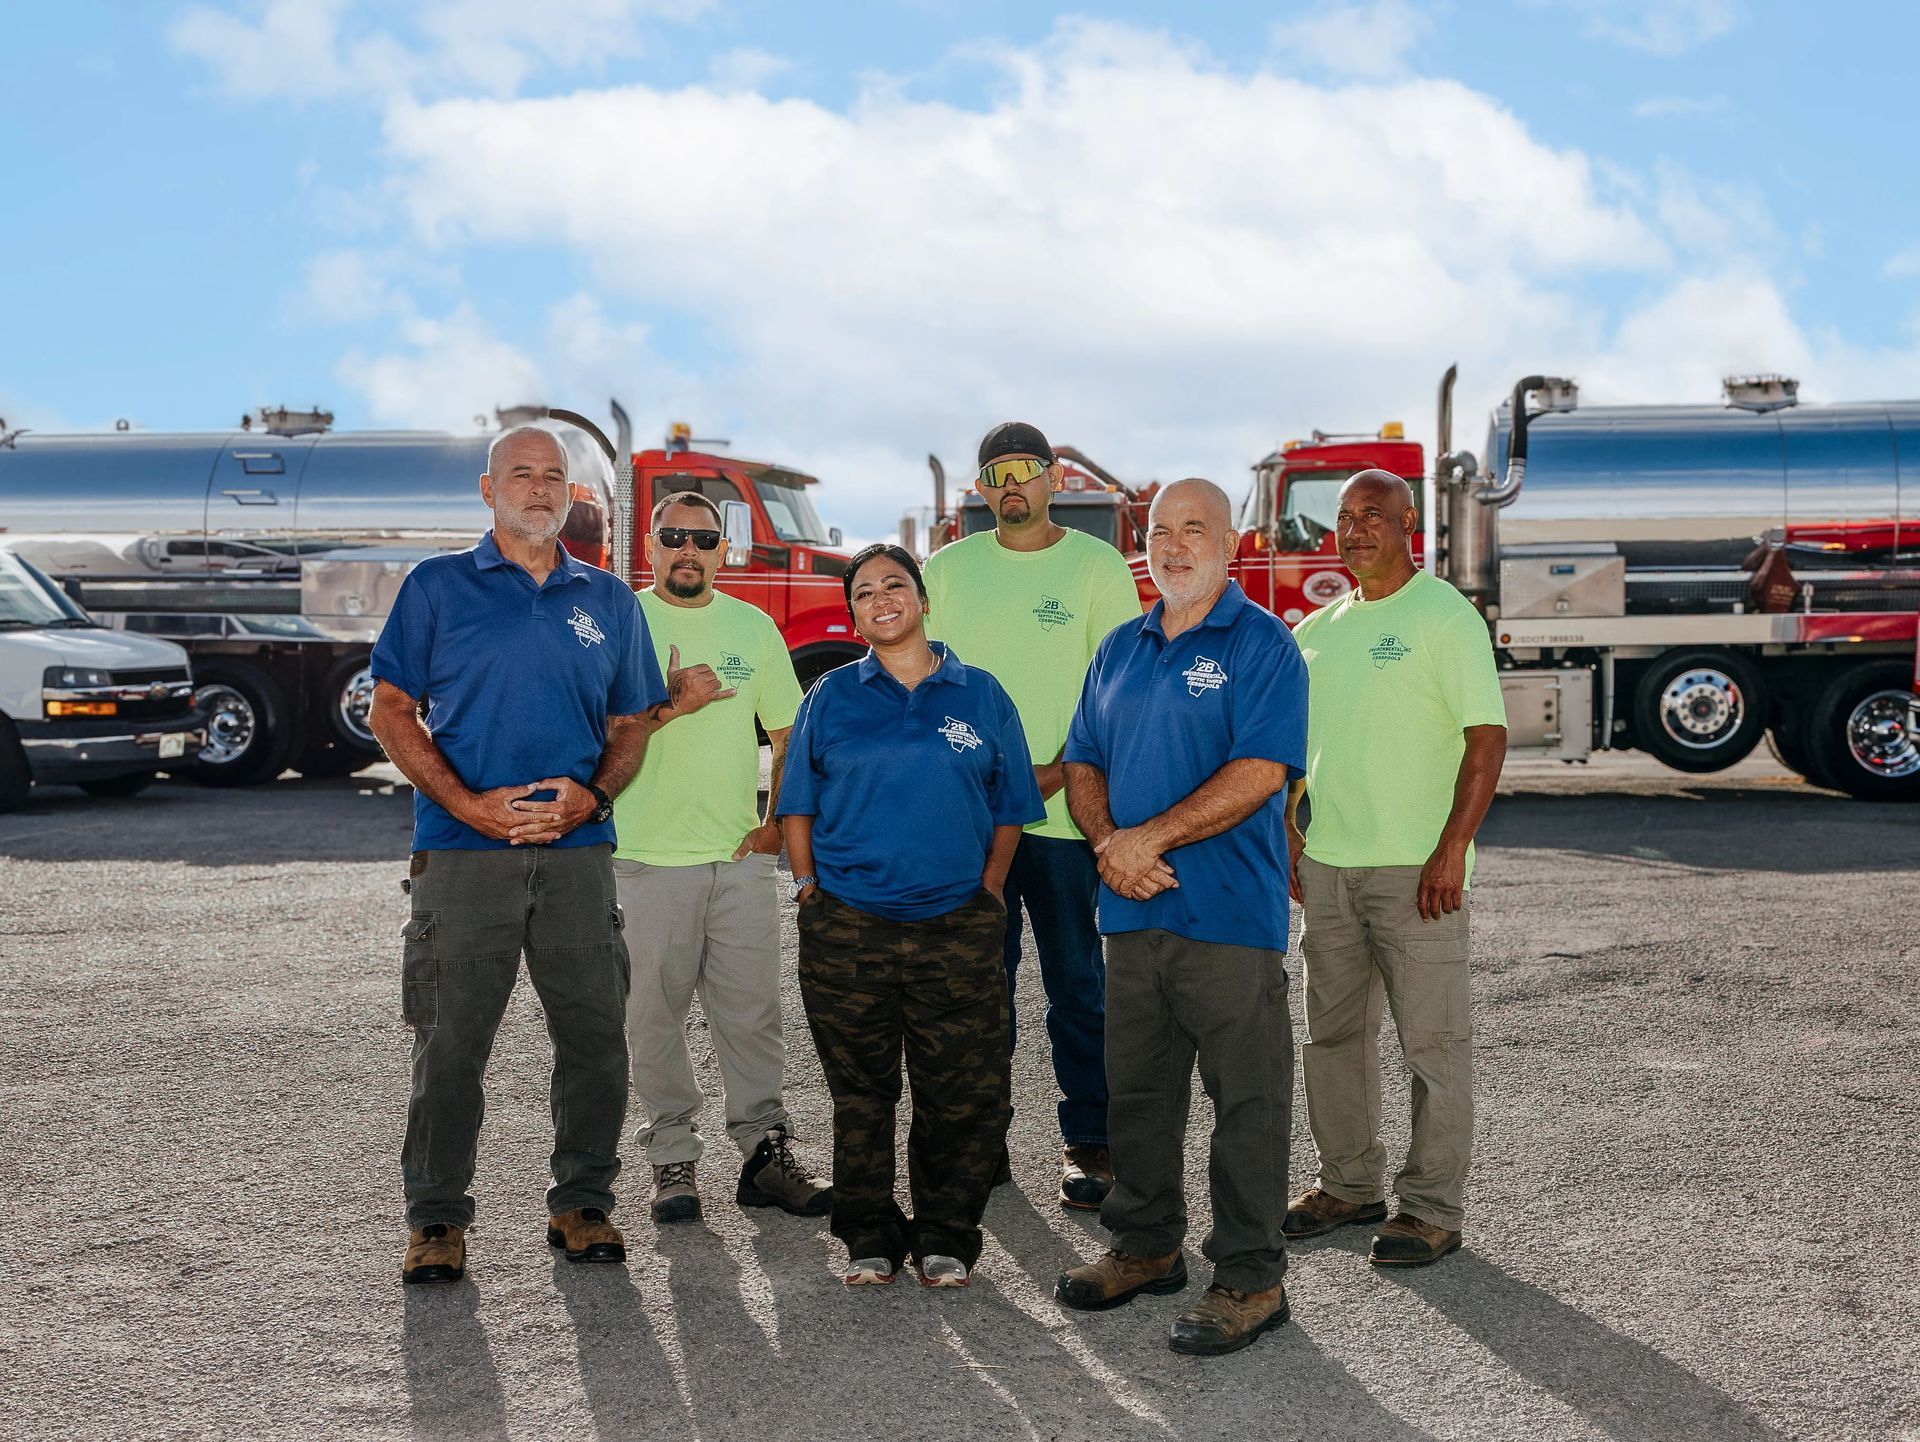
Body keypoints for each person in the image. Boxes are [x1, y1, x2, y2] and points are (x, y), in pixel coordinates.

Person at [368, 425, 667, 1285]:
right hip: (463, 856)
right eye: (521, 473)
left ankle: (582, 1203)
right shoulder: (436, 588)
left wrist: (594, 797)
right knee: (451, 1044)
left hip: (579, 855)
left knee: (595, 1039)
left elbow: (630, 724)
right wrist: (466, 805)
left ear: (572, 495)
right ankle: (436, 1219)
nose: (538, 489)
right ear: (487, 487)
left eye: (553, 477)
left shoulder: (608, 600)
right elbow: (392, 709)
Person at [1053, 478, 1308, 1357]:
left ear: (1230, 544)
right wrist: (1109, 847)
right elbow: (1082, 758)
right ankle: (1145, 1245)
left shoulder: (1263, 643)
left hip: (1230, 915)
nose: (1172, 545)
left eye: (1193, 529)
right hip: (1130, 915)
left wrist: (1145, 839)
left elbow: (1263, 770)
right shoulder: (1120, 647)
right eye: (1159, 530)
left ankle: (1249, 1277)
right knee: (1141, 1096)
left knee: (1248, 1102)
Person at [778, 544, 1044, 1288]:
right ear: (854, 614)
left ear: (922, 599)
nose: (881, 599)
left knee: (957, 1092)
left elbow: (1010, 807)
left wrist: (989, 890)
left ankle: (946, 1235)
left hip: (954, 926)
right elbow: (795, 802)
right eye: (864, 592)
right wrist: (807, 888)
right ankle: (867, 1232)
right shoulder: (830, 695)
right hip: (847, 927)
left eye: (895, 584)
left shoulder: (982, 694)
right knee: (860, 1093)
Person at [1282, 468, 1506, 1267]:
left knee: (1432, 1049)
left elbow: (1487, 740)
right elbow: (1294, 748)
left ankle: (1432, 1211)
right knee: (1333, 1038)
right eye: (1343, 517)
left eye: (1372, 515)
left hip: (1419, 872)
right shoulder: (1315, 631)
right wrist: (1288, 826)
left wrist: (1452, 849)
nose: (1355, 530)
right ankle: (1349, 1185)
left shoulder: (1445, 615)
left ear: (1410, 522)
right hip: (1332, 870)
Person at [924, 422, 1142, 1210]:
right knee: (979, 989)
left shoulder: (1096, 566)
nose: (1010, 485)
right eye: (995, 474)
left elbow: (1113, 696)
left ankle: (1091, 1142)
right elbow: (929, 689)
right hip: (971, 824)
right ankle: (983, 1141)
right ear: (980, 490)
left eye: (1024, 470)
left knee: (1078, 985)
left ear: (1053, 479)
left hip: (1061, 820)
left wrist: (1045, 780)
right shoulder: (945, 571)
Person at [613, 489, 831, 1225]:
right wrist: (669, 704)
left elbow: (788, 734)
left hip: (737, 859)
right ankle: (673, 1158)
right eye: (673, 536)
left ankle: (765, 1154)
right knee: (653, 1017)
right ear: (650, 543)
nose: (688, 550)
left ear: (723, 550)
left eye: (703, 540)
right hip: (643, 859)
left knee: (752, 1016)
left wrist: (772, 825)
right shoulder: (623, 621)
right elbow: (589, 731)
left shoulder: (753, 626)